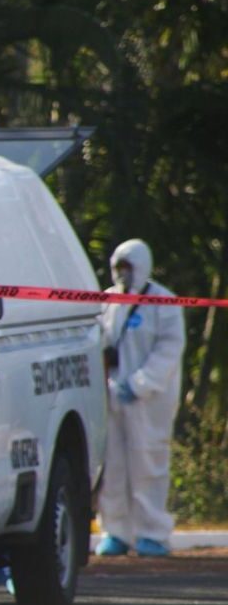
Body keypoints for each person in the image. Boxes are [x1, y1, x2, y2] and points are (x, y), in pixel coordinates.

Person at [96, 239, 185, 557]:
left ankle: (152, 533)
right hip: (112, 397)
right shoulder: (108, 301)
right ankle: (116, 531)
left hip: (149, 401)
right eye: (118, 268)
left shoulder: (164, 302)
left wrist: (139, 383)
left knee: (148, 463)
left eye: (127, 268)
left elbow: (169, 349)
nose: (122, 274)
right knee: (114, 467)